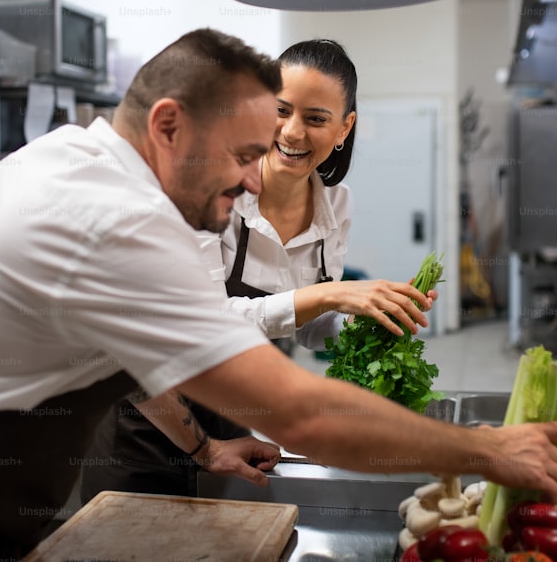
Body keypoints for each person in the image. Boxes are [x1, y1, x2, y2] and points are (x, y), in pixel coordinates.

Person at [0, 28, 557, 561]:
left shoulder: (82, 162)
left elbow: (142, 354)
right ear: (168, 124)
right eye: (244, 152)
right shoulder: (114, 219)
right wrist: (490, 450)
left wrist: (205, 447)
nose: (252, 177)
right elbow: (300, 410)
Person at [80, 38, 440, 499]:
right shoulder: (217, 190)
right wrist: (329, 295)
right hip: (146, 430)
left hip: (231, 412)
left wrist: (368, 313)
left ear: (345, 128)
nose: (292, 132)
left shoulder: (336, 205)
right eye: (281, 110)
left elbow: (311, 330)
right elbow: (205, 326)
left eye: (316, 119)